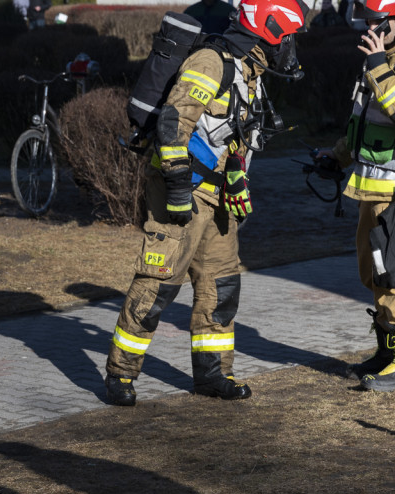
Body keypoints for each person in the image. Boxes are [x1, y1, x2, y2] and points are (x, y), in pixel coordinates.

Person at [104, 0, 308, 407]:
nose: (290, 47)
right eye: (288, 38)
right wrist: (179, 189)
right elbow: (173, 123)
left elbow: (233, 135)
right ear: (269, 30)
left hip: (217, 196)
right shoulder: (211, 62)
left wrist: (236, 179)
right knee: (159, 282)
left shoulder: (250, 73)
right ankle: (120, 373)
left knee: (221, 284)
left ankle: (213, 374)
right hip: (183, 188)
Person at [317, 0, 395, 390]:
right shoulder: (377, 61)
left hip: (394, 194)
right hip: (373, 191)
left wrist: (379, 65)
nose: (368, 28)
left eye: (375, 20)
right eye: (364, 20)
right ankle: (386, 353)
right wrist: (337, 156)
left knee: (392, 275)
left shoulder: (380, 63)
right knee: (376, 274)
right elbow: (363, 123)